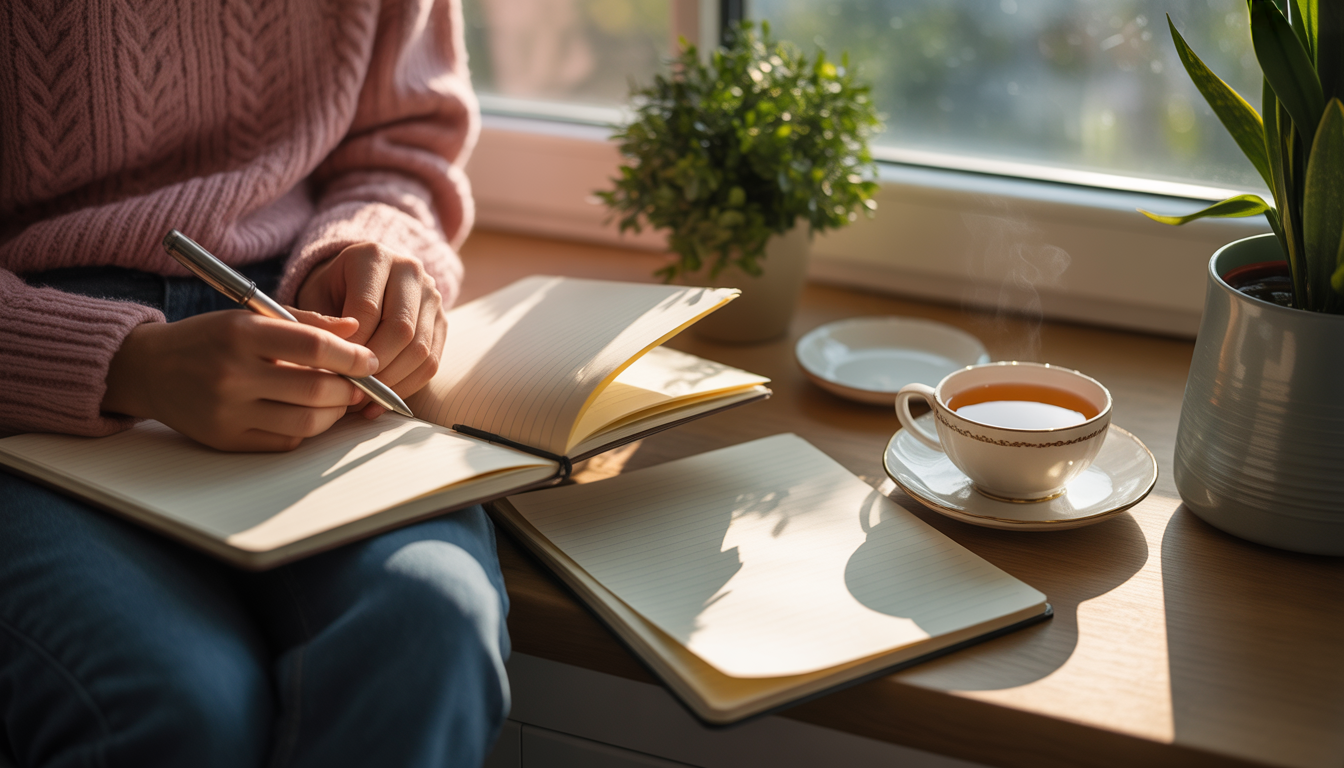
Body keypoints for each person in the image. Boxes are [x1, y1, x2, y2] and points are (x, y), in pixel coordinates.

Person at [0, 1, 510, 766]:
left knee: (430, 624)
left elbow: (400, 149)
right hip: (33, 357)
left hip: (300, 313)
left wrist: (373, 254)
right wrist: (122, 364)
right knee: (173, 707)